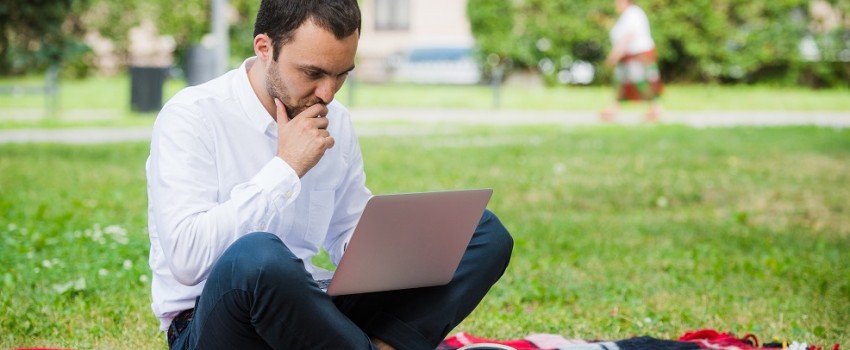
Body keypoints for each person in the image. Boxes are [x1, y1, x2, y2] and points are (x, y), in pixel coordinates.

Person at [145, 1, 513, 349]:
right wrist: (287, 168)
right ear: (264, 47)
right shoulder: (192, 116)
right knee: (258, 257)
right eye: (313, 73)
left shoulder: (336, 120)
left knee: (482, 233)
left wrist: (394, 251)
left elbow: (347, 231)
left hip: (310, 307)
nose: (328, 93)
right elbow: (187, 260)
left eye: (341, 75)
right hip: (219, 322)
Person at [601, 0, 664, 122]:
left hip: (638, 54)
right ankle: (613, 109)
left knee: (642, 82)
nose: (616, 4)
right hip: (628, 56)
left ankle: (656, 108)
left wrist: (615, 54)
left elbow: (628, 36)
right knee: (621, 82)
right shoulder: (626, 15)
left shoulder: (633, 14)